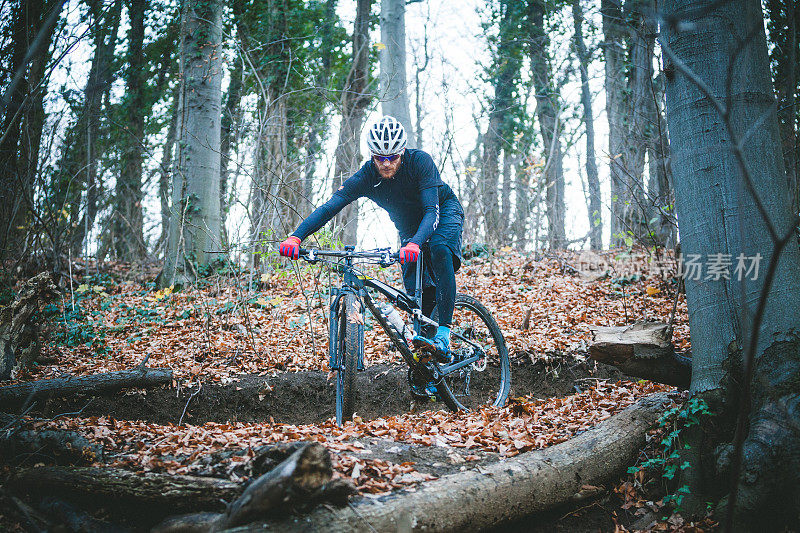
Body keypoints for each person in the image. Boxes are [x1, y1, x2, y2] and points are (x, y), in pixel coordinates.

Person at [278, 115, 465, 362]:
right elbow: (329, 208)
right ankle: (428, 366)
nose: (386, 164)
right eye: (380, 158)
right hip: (409, 228)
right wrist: (296, 237)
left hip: (442, 210)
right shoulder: (365, 177)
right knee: (416, 297)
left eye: (393, 157)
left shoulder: (420, 162)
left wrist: (415, 243)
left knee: (439, 248)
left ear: (403, 151)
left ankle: (444, 333)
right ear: (372, 155)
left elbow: (432, 212)